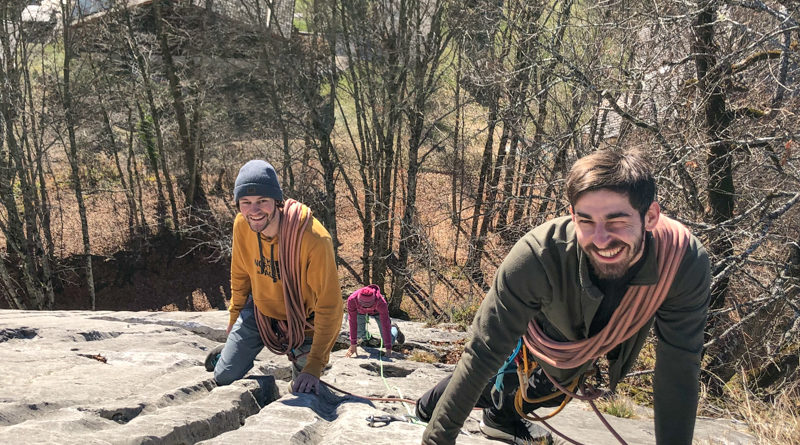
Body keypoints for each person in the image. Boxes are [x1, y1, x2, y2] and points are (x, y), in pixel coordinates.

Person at [416, 150, 710, 444]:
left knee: (546, 384)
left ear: (650, 216)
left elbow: (679, 369)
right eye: (586, 221)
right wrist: (437, 439)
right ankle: (433, 407)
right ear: (572, 216)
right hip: (539, 338)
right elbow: (483, 353)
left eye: (616, 221)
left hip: (576, 350)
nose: (601, 239)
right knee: (525, 382)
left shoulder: (682, 262)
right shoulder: (536, 256)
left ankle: (462, 409)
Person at [208, 159, 343, 395]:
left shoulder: (313, 239)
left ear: (277, 202)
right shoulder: (242, 224)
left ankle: (300, 362)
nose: (254, 210)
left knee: (303, 392)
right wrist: (234, 317)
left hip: (304, 322)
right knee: (224, 376)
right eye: (246, 202)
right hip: (260, 313)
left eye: (262, 201)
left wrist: (313, 367)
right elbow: (239, 274)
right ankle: (229, 352)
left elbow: (330, 305)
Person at [344, 284, 405, 358]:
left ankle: (395, 329)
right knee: (359, 334)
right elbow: (352, 321)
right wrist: (353, 344)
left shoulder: (381, 302)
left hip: (377, 312)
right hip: (359, 312)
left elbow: (385, 324)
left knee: (390, 340)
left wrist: (388, 349)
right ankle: (368, 339)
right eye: (363, 305)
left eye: (368, 306)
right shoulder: (352, 300)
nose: (366, 308)